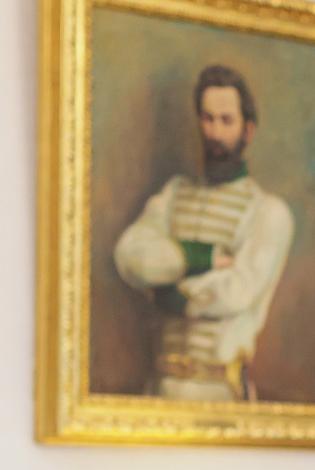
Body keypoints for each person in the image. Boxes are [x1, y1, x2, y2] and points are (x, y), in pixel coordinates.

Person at [114, 63, 295, 403]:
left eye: (226, 121)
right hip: (159, 390)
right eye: (207, 119)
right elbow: (130, 258)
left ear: (248, 130)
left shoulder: (269, 213)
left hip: (220, 393)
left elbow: (238, 290)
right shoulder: (173, 196)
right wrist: (201, 257)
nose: (214, 133)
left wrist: (173, 295)